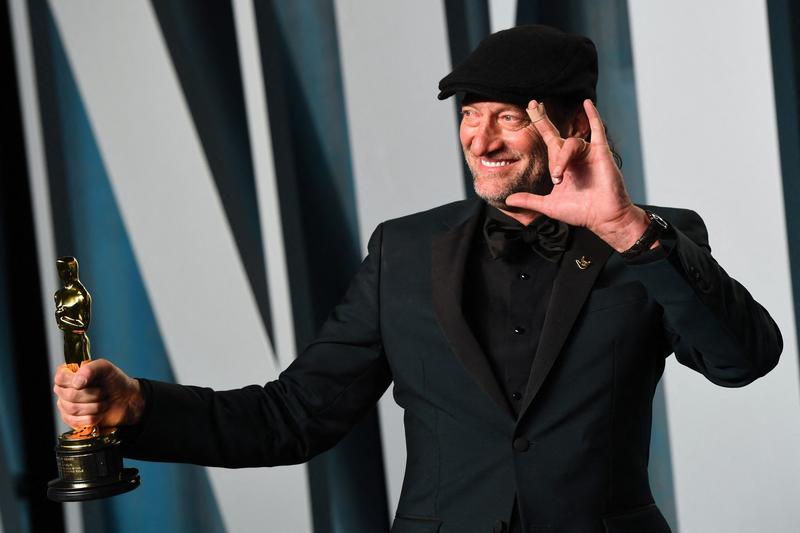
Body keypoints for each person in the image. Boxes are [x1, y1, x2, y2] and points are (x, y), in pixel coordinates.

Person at [52, 25, 781, 532]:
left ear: (574, 128)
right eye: (470, 115)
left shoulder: (654, 238)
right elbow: (294, 415)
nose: (481, 139)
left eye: (508, 118)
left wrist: (624, 227)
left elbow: (743, 359)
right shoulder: (404, 250)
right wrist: (138, 405)